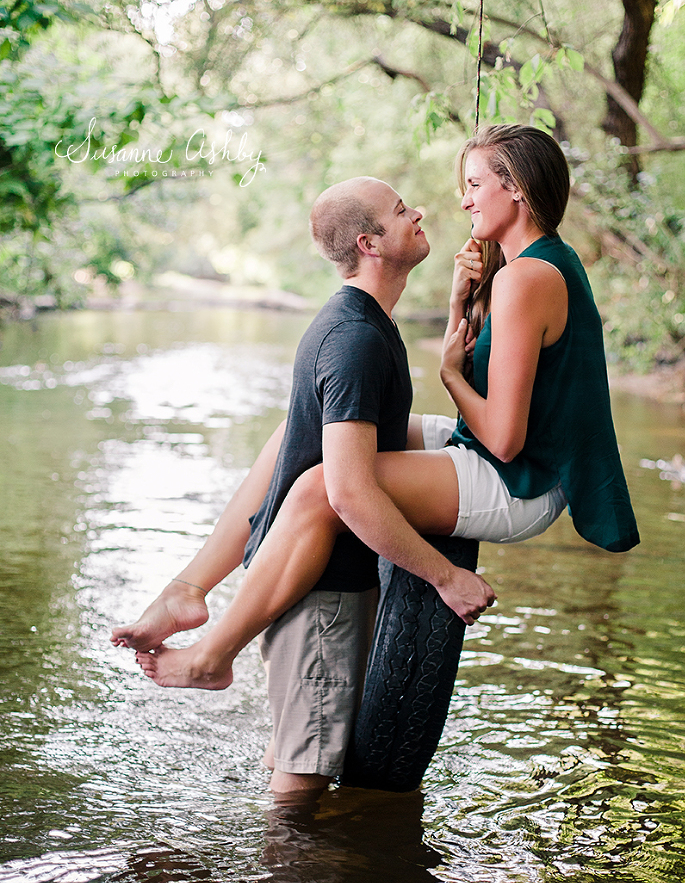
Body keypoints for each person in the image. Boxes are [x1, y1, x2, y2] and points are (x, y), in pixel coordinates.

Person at [122, 123, 639, 763]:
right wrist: (459, 303)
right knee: (302, 430)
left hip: (521, 481)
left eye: (475, 185)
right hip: (517, 455)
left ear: (519, 189)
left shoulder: (526, 279)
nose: (464, 201)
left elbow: (503, 437)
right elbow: (489, 378)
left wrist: (448, 375)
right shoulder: (530, 268)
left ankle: (213, 653)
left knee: (323, 489)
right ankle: (191, 586)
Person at [113, 175, 495, 797]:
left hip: (319, 577)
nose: (420, 210)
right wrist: (445, 577)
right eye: (402, 211)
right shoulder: (354, 340)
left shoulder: (361, 323)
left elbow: (307, 449)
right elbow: (346, 490)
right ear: (371, 242)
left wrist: (460, 304)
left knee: (304, 745)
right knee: (303, 780)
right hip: (319, 589)